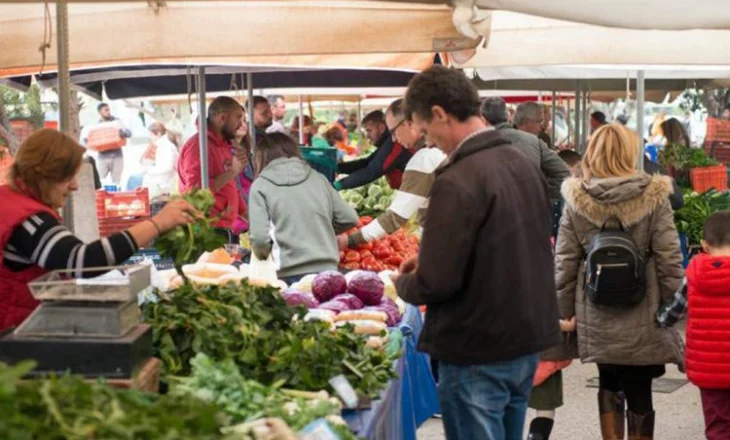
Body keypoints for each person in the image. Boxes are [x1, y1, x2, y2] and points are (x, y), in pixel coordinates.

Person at [394, 66, 561, 440]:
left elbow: (436, 281)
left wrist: (405, 282)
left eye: (425, 130)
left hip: (477, 345)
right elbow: (507, 246)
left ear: (440, 113)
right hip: (522, 340)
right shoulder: (521, 161)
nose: (429, 141)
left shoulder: (458, 177)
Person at [555, 124, 684, 440]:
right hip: (645, 307)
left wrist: (563, 311)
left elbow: (565, 260)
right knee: (640, 386)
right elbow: (670, 259)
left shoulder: (577, 198)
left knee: (608, 381)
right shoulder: (654, 196)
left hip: (595, 307)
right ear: (630, 152)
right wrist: (673, 309)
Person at [0, 129, 196, 332]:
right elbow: (82, 260)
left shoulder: (12, 202)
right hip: (11, 340)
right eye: (68, 177)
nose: (75, 186)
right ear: (44, 175)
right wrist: (158, 224)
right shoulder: (30, 221)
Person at [657, 211, 730, 440]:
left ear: (704, 245)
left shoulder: (693, 275)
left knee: (718, 423)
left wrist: (660, 319)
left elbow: (672, 313)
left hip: (708, 369)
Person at [248, 133, 358, 284]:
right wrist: (320, 231)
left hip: (287, 273)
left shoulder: (260, 185)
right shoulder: (318, 178)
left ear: (260, 158)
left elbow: (260, 240)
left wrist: (263, 256)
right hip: (328, 271)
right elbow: (350, 218)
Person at [337, 98, 446, 251]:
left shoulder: (424, 158)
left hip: (442, 244)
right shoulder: (446, 148)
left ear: (409, 123)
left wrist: (351, 240)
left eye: (393, 132)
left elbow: (395, 217)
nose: (394, 139)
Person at [178, 96, 247, 243]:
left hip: (224, 228)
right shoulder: (198, 146)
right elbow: (195, 192)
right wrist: (232, 172)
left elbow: (230, 187)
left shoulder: (223, 145)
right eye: (238, 118)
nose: (241, 124)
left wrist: (250, 218)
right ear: (222, 118)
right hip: (206, 230)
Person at [481, 97, 570, 203]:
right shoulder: (534, 141)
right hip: (531, 211)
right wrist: (540, 196)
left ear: (483, 119)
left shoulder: (478, 143)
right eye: (539, 121)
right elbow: (563, 173)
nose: (541, 127)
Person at [335, 110, 412, 191]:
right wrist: (340, 168)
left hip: (412, 191)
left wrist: (339, 185)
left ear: (381, 128)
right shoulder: (386, 144)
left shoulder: (394, 145)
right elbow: (367, 162)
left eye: (369, 130)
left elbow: (372, 171)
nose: (367, 136)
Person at [92, 103, 132, 186]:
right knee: (100, 181)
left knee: (117, 182)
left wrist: (120, 133)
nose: (108, 112)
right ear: (100, 112)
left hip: (117, 157)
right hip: (103, 157)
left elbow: (129, 133)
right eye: (106, 110)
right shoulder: (97, 125)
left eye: (109, 109)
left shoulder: (117, 122)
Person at [140, 122, 180, 200]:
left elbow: (167, 167)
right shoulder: (162, 145)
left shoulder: (166, 146)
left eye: (151, 135)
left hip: (165, 184)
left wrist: (149, 170)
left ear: (158, 134)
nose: (151, 138)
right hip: (162, 182)